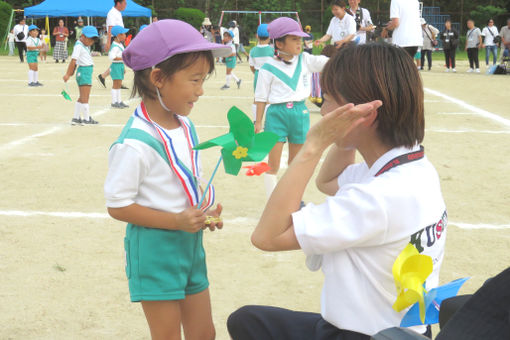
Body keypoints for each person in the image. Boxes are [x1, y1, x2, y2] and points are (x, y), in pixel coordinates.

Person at [228, 42, 446, 340]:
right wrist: (345, 139)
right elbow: (329, 182)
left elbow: (266, 237)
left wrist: (313, 146)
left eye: (327, 100)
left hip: (364, 335)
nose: (321, 110)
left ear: (364, 114)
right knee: (247, 321)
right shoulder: (413, 167)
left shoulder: (378, 197)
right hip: (408, 329)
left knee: (248, 323)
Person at [104, 19, 230, 339]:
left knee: (205, 333)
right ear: (158, 78)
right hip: (155, 248)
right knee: (168, 335)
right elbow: (117, 206)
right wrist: (175, 220)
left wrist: (202, 208)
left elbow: (185, 179)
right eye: (195, 80)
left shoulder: (185, 125)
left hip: (189, 243)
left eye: (204, 79)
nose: (201, 91)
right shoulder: (134, 144)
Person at [255, 17, 329, 199]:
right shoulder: (267, 68)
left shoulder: (304, 59)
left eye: (300, 39)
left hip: (299, 113)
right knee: (272, 165)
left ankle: (293, 199)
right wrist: (258, 122)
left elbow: (327, 62)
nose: (300, 43)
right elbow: (261, 97)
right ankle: (272, 201)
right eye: (294, 39)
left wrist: (346, 57)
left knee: (295, 163)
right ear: (279, 43)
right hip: (276, 115)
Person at [63, 26, 100, 125]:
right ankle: (86, 119)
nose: (91, 41)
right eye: (90, 38)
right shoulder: (79, 46)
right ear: (83, 36)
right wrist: (68, 74)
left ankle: (76, 117)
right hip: (84, 72)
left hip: (85, 71)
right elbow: (73, 60)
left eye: (93, 40)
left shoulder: (83, 45)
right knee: (85, 98)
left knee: (82, 96)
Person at [98, 0, 127, 88]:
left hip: (120, 38)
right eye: (124, 3)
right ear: (118, 3)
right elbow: (110, 27)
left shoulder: (118, 12)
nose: (125, 5)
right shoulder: (112, 13)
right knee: (118, 60)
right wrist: (108, 42)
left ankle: (104, 76)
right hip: (115, 39)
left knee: (119, 61)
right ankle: (114, 80)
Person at [249, 24, 274, 120]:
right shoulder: (272, 51)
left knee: (257, 98)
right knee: (268, 99)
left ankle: (255, 120)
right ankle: (268, 121)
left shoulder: (253, 51)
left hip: (258, 74)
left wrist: (256, 73)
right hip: (269, 75)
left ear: (257, 36)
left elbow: (251, 66)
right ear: (270, 36)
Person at [109, 26, 129, 108]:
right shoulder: (115, 46)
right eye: (123, 34)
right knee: (116, 84)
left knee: (119, 84)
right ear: (118, 35)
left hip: (119, 65)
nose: (125, 36)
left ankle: (119, 101)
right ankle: (114, 102)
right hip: (115, 66)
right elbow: (112, 57)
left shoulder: (120, 44)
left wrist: (123, 66)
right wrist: (123, 59)